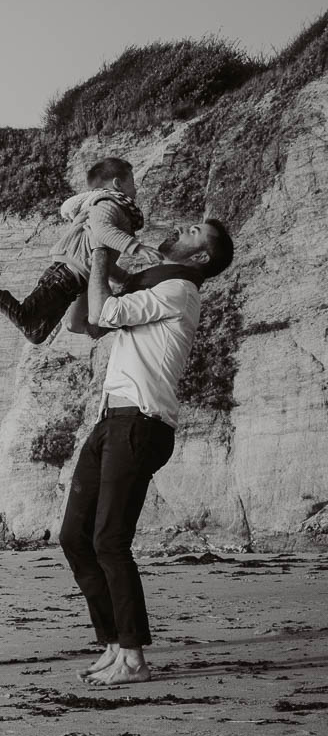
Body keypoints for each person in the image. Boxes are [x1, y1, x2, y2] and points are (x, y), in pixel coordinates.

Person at [63, 218, 234, 685]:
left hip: (140, 424)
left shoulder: (179, 291)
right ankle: (114, 645)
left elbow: (103, 312)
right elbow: (82, 320)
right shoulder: (158, 285)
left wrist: (101, 250)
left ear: (200, 256)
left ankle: (134, 659)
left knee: (109, 543)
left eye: (194, 231)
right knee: (75, 537)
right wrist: (85, 264)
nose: (182, 227)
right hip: (111, 422)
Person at [0, 157, 158, 344]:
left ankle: (107, 327)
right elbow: (102, 232)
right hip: (64, 276)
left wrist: (125, 278)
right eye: (132, 181)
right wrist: (136, 247)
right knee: (27, 321)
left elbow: (101, 258)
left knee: (37, 334)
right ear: (118, 184)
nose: (136, 187)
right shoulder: (107, 204)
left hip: (75, 280)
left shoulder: (116, 210)